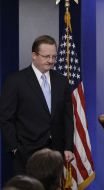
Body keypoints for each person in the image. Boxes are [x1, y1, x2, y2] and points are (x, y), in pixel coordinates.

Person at [0, 35, 74, 175]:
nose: (51, 61)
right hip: (26, 153)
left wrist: (68, 147)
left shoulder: (62, 81)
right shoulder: (15, 81)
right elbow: (5, 118)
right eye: (46, 56)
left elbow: (67, 117)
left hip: (56, 153)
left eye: (54, 56)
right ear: (34, 55)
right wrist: (14, 148)